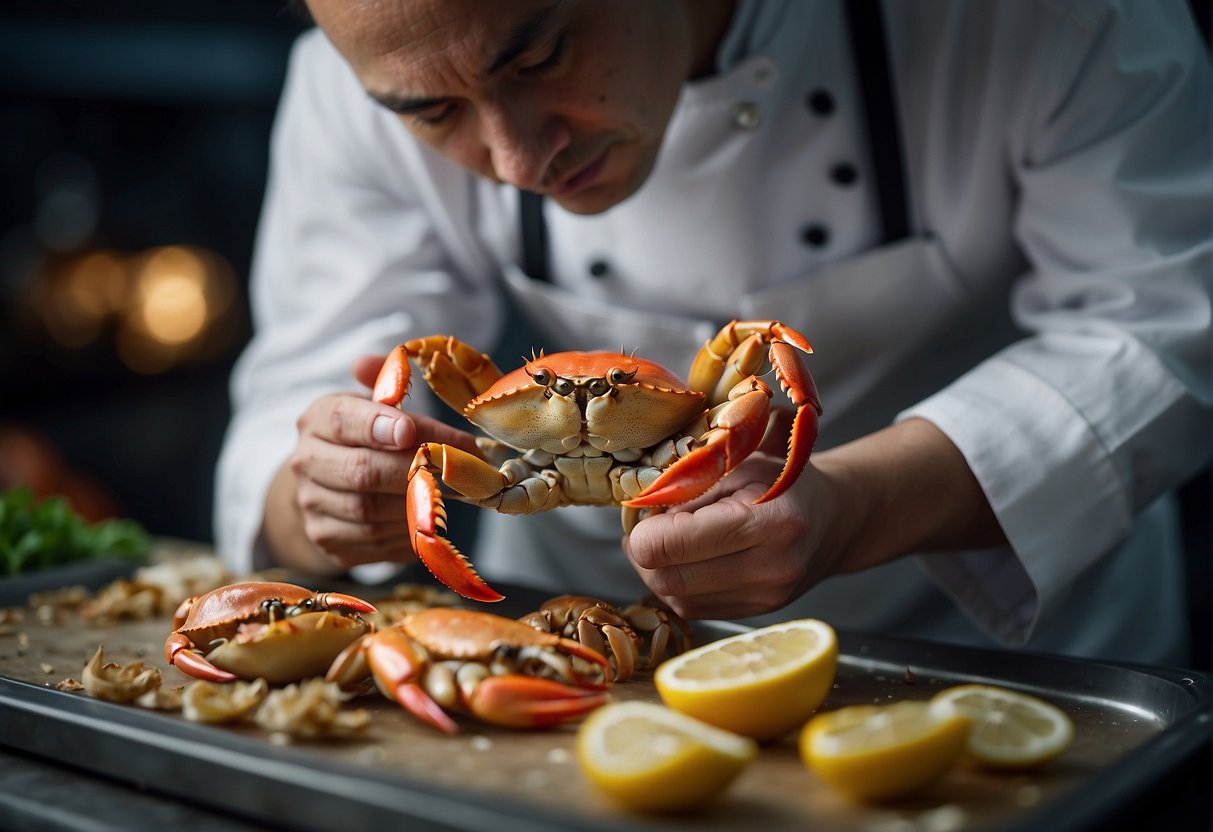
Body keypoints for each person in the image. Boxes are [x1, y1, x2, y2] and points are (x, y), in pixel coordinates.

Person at [215, 0, 1211, 667]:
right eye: (434, 112)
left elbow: (1160, 321)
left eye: (541, 52)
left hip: (1021, 658)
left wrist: (851, 510)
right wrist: (331, 494)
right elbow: (304, 389)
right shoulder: (355, 85)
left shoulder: (1043, 19)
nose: (518, 160)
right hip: (597, 665)